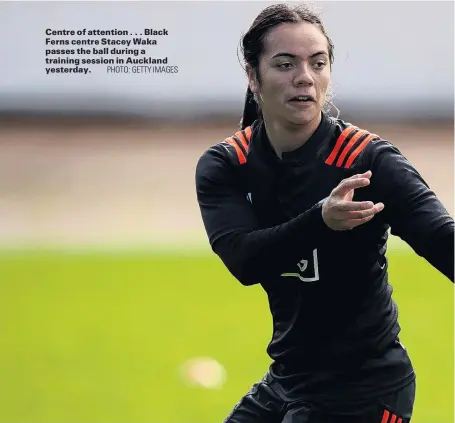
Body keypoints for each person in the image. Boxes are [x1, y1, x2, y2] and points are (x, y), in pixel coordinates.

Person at [195, 3, 454, 422]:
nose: (304, 77)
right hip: (289, 380)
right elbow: (244, 259)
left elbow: (443, 241)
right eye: (285, 64)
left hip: (366, 389)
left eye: (318, 63)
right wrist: (320, 222)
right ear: (252, 76)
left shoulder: (368, 160)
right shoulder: (228, 164)